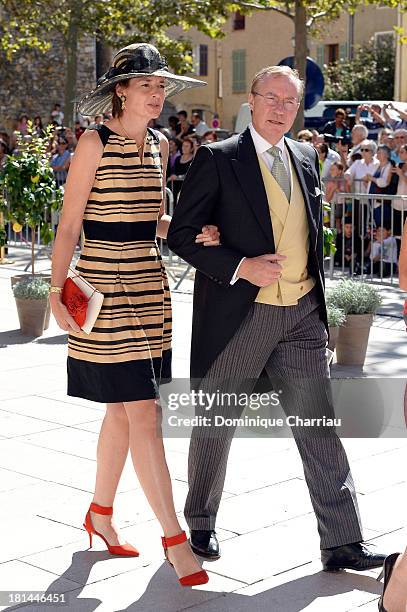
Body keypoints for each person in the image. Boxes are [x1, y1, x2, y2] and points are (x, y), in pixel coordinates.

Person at [167, 64, 386, 572]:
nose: (281, 109)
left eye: (290, 101)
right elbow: (182, 234)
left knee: (318, 426)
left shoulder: (307, 156)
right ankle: (200, 522)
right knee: (217, 419)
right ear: (252, 99)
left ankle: (342, 540)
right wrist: (240, 264)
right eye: (272, 98)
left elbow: (306, 231)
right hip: (244, 314)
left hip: (304, 312)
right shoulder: (219, 159)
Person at [49, 42, 221, 588]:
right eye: (147, 85)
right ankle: (175, 539)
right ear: (120, 91)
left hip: (149, 286)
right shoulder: (93, 143)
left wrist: (193, 233)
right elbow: (69, 224)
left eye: (161, 85)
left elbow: (154, 220)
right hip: (101, 287)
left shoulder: (159, 142)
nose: (158, 94)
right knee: (142, 410)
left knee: (124, 412)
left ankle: (100, 513)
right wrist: (57, 291)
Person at [168, 137, 194, 203]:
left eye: (187, 146)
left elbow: (191, 174)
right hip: (176, 186)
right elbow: (174, 171)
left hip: (187, 187)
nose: (184, 148)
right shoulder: (178, 158)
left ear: (191, 149)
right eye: (183, 145)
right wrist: (173, 175)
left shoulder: (193, 159)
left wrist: (178, 177)